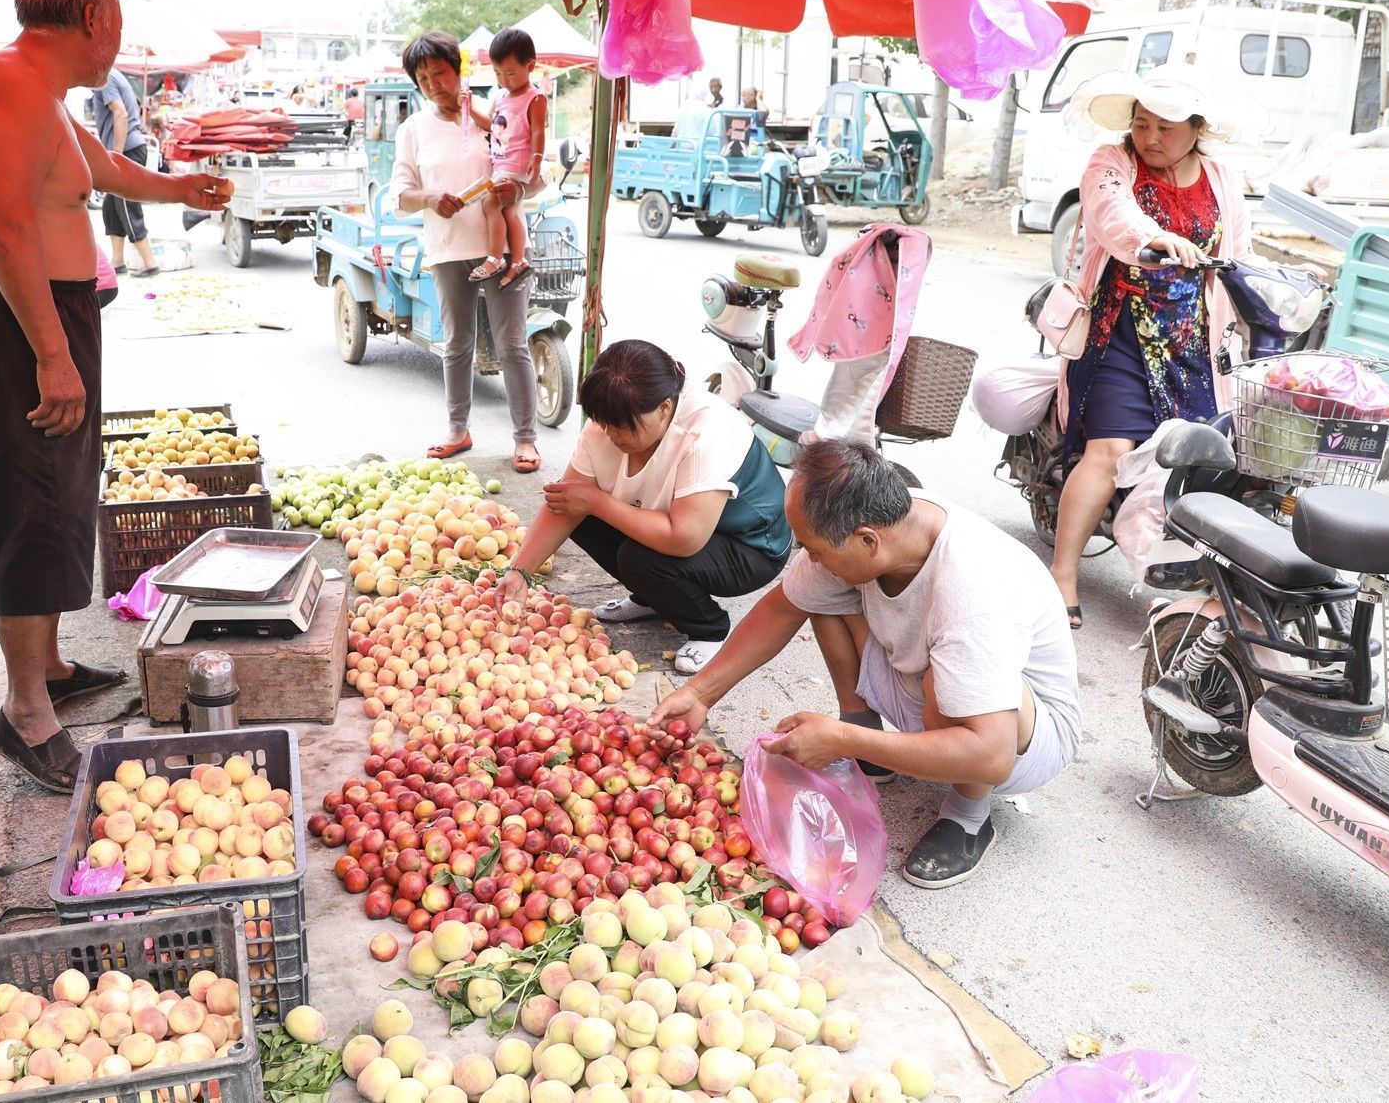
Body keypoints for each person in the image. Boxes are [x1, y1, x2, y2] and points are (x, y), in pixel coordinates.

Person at [0, 0, 231, 791]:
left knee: (62, 489)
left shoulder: (45, 96)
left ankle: (51, 664)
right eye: (120, 25)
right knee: (29, 500)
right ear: (96, 17)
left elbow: (103, 172)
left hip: (43, 315)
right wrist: (52, 355)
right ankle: (25, 710)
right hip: (10, 322)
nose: (120, 42)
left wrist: (180, 188)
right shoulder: (11, 84)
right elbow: (6, 229)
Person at [651, 440, 1080, 888]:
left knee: (948, 680)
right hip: (922, 679)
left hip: (1021, 740)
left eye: (814, 548)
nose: (809, 558)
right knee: (819, 593)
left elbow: (991, 755)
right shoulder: (883, 523)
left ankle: (968, 817)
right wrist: (701, 693)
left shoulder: (970, 592)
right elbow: (782, 608)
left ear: (867, 541)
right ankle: (868, 730)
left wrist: (839, 740)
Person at [1050, 67, 1253, 628]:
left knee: (1198, 461)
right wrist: (1151, 238)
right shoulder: (1111, 163)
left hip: (1192, 345)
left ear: (1197, 128)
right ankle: (1062, 574)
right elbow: (1112, 214)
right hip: (1119, 333)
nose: (1150, 137)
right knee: (1108, 453)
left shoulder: (1218, 177)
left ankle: (1180, 573)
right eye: (1142, 124)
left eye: (1165, 127)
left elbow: (1239, 253)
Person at [498, 340, 790, 674]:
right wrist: (519, 572)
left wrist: (596, 501)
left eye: (621, 426)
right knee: (579, 512)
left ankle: (709, 628)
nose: (611, 435)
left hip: (751, 546)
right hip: (679, 526)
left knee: (639, 559)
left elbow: (685, 538)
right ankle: (654, 598)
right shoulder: (605, 425)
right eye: (603, 422)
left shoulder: (706, 432)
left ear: (665, 408)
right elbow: (564, 502)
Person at [384, 31, 539, 473]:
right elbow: (401, 192)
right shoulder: (413, 129)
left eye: (440, 72)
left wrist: (519, 185)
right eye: (423, 76)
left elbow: (530, 167)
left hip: (503, 248)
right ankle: (458, 429)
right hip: (449, 249)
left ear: (458, 71)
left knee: (512, 345)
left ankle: (525, 439)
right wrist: (431, 198)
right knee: (456, 344)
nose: (433, 82)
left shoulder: (495, 113)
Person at [466, 28, 547, 286]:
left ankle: (496, 257)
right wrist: (469, 108)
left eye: (510, 73)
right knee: (510, 210)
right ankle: (519, 260)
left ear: (530, 65)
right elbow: (492, 125)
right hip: (500, 162)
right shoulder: (500, 96)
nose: (504, 80)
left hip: (516, 162)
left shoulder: (535, 98)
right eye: (498, 73)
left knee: (490, 204)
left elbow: (537, 130)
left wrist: (537, 157)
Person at [94, 67, 158, 278]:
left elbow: (120, 113)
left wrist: (116, 157)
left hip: (127, 150)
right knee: (110, 207)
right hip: (127, 148)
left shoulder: (106, 78)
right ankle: (117, 261)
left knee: (126, 204)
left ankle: (150, 263)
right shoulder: (111, 76)